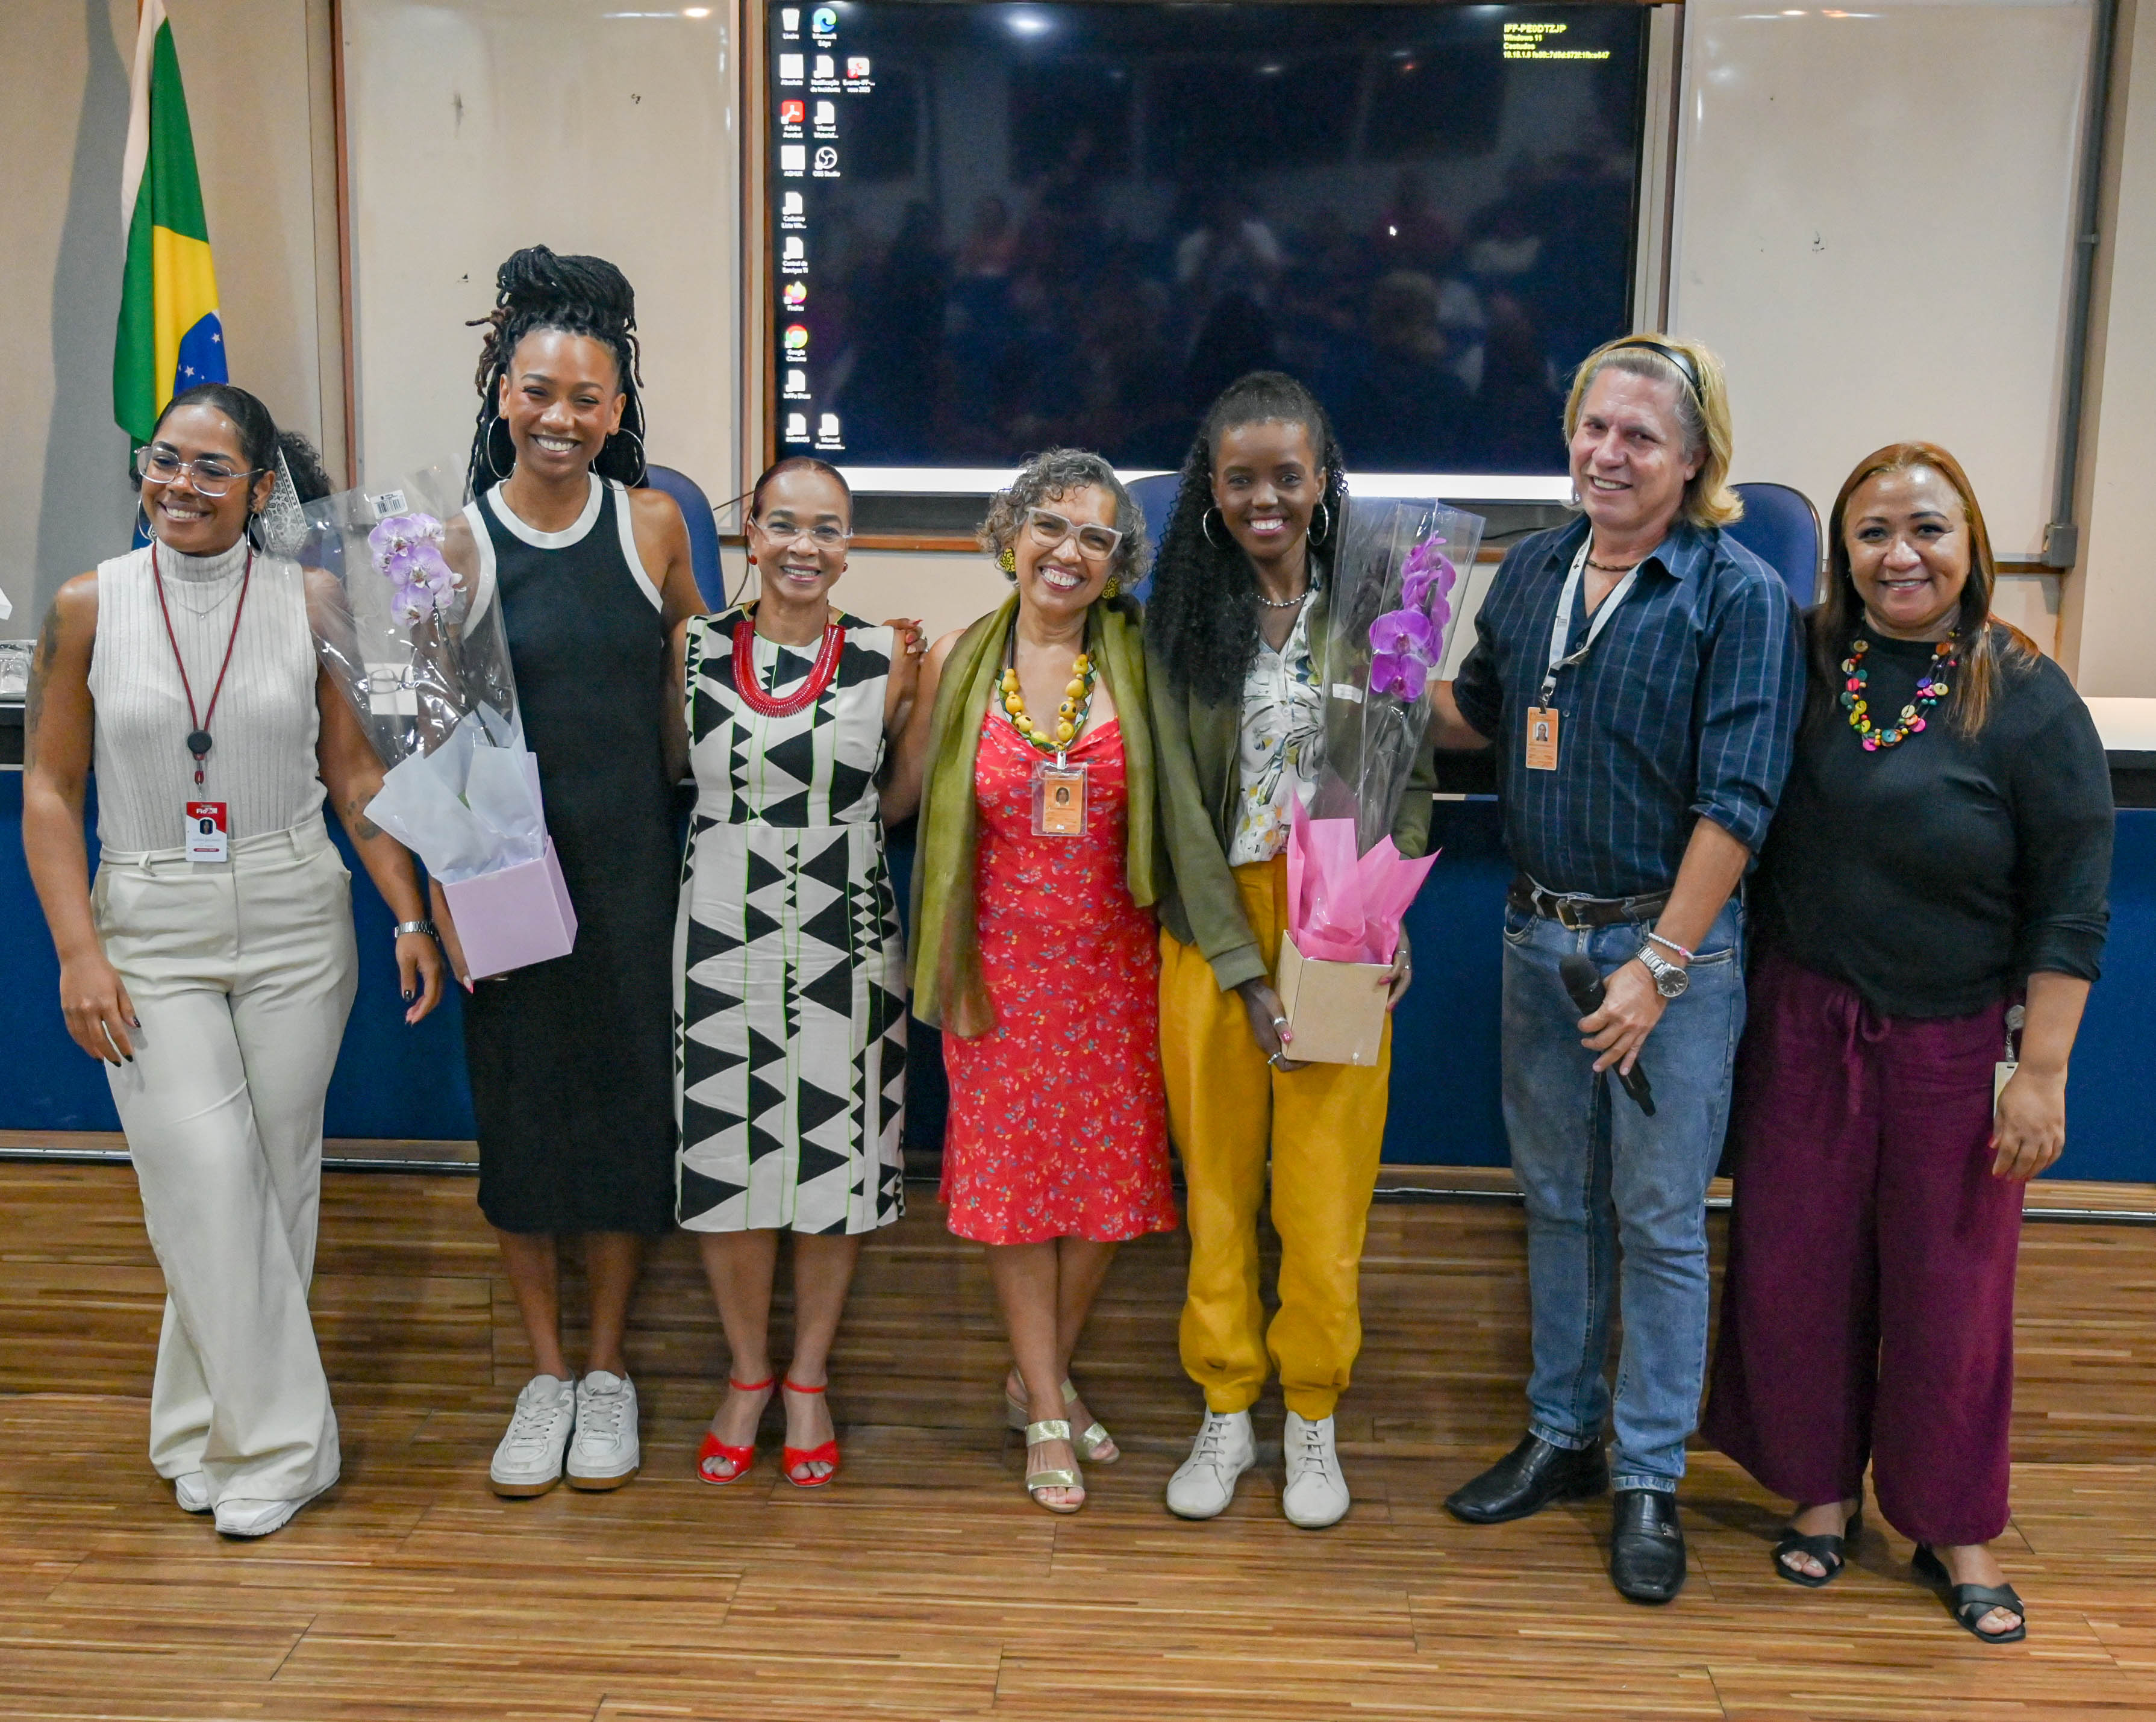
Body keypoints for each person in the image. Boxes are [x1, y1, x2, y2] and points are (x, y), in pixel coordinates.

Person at [1702, 444, 2111, 1644]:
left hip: (1955, 1046)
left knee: (1950, 1296)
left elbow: (2071, 906)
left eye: (1926, 528)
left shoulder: (2026, 695)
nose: (1900, 555)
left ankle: (1951, 1525)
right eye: (1872, 532)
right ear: (1842, 553)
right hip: (1803, 1023)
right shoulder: (1800, 664)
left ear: (1970, 542)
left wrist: (2040, 1074)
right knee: (1796, 1268)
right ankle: (1817, 1492)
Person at [20, 384, 445, 1538]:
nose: (182, 485)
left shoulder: (310, 599)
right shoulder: (88, 606)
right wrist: (78, 951)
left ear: (262, 490)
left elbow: (355, 778)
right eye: (166, 460)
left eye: (214, 469)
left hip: (296, 915)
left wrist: (408, 915)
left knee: (270, 1186)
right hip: (148, 924)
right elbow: (52, 790)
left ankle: (203, 1423)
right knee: (205, 1178)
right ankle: (285, 1450)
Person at [1430, 334, 1804, 1602]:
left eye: (1640, 436)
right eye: (1593, 427)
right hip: (1536, 937)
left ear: (1694, 460)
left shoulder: (1736, 594)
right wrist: (1369, 678)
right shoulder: (1535, 567)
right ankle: (1563, 1436)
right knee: (1556, 1201)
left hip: (1666, 956)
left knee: (1658, 1219)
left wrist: (1659, 964)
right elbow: (1480, 716)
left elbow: (1739, 802)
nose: (1608, 453)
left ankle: (1648, 1475)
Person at [439, 246, 704, 1499]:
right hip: (505, 885)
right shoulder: (451, 545)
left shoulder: (652, 524)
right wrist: (447, 899)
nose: (560, 417)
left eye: (585, 398)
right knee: (522, 1124)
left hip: (636, 875)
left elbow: (691, 680)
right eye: (538, 392)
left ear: (617, 407)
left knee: (625, 1121)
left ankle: (606, 1373)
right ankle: (542, 1375)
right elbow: (431, 739)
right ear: (503, 393)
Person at [1142, 370, 1426, 1531]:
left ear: (1323, 481)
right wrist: (1246, 974)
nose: (1266, 498)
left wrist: (1385, 918)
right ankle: (1226, 1407)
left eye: (1287, 477)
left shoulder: (1377, 604)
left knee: (1323, 1195)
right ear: (1211, 490)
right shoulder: (1174, 618)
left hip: (1340, 921)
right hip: (1216, 933)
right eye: (1241, 478)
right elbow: (1176, 808)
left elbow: (1407, 774)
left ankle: (1312, 1412)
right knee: (1217, 1189)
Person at [892, 449, 1177, 1514]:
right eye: (1050, 524)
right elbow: (902, 798)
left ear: (1118, 561)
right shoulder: (962, 658)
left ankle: (1033, 1379)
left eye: (1097, 537)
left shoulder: (1141, 659)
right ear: (1011, 533)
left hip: (1120, 968)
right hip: (995, 971)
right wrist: (880, 696)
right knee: (1015, 1194)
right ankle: (1050, 1409)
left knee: (1110, 1192)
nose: (1069, 551)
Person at [673, 455, 923, 1489]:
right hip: (718, 917)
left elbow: (900, 799)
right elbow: (671, 766)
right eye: (783, 524)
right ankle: (747, 1373)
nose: (803, 547)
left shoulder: (890, 656)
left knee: (840, 1153)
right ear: (752, 536)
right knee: (727, 1150)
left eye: (826, 529)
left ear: (849, 547)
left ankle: (809, 1376)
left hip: (845, 921)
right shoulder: (693, 646)